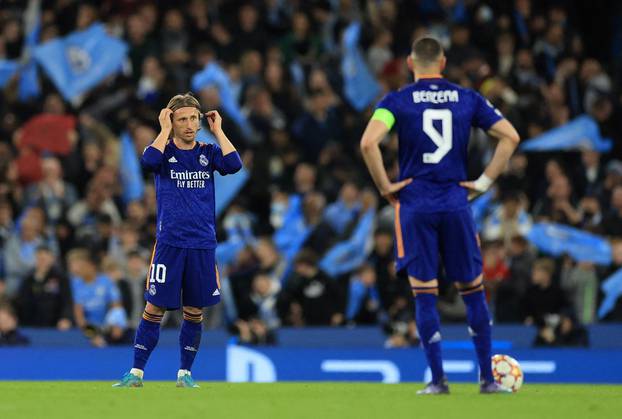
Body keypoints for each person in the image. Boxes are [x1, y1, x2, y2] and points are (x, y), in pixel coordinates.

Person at [360, 36, 520, 394]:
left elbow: (368, 142)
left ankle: (438, 380)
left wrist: (386, 185)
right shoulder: (468, 98)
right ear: (443, 63)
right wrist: (483, 182)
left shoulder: (396, 101)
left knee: (425, 292)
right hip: (455, 201)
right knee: (473, 290)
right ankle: (487, 380)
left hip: (415, 204)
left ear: (411, 63)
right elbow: (510, 136)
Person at [113, 93, 242, 388]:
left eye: (193, 118)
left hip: (202, 244)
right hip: (169, 243)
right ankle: (136, 373)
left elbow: (234, 165)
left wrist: (219, 130)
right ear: (172, 121)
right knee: (154, 308)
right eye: (181, 118)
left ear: (200, 122)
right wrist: (162, 130)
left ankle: (185, 374)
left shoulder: (208, 152)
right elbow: (148, 161)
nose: (188, 124)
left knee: (194, 311)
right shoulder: (164, 153)